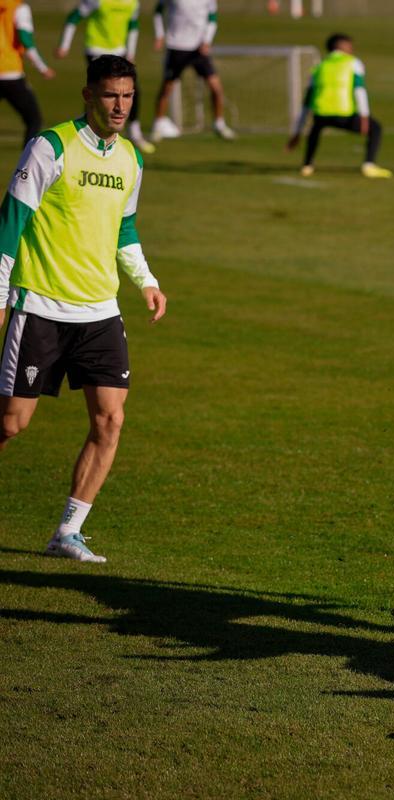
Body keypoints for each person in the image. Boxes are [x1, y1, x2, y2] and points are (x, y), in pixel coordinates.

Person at [0, 55, 167, 564]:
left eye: (128, 96)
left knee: (110, 421)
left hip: (99, 311)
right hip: (40, 305)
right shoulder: (50, 147)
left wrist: (147, 282)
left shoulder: (131, 160)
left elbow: (126, 229)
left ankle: (67, 532)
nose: (120, 106)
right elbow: (11, 222)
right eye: (111, 95)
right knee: (10, 423)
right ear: (88, 96)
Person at [286, 33, 391, 179]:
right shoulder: (353, 63)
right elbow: (359, 90)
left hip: (321, 113)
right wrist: (364, 117)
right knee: (376, 128)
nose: (352, 48)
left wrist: (297, 132)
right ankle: (369, 165)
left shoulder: (319, 66)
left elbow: (307, 101)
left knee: (315, 129)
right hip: (344, 113)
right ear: (341, 46)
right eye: (349, 45)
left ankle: (307, 165)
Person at [56, 0, 154, 152]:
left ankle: (134, 133)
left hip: (119, 51)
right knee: (98, 94)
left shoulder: (133, 2)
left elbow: (133, 24)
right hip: (96, 50)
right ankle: (86, 133)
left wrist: (131, 51)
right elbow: (74, 17)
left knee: (134, 91)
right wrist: (64, 45)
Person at [148, 0, 234, 141]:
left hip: (198, 48)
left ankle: (219, 124)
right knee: (167, 88)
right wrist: (159, 35)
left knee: (216, 87)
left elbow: (212, 18)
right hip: (176, 46)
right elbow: (158, 11)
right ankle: (158, 124)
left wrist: (207, 40)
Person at [0, 1, 55, 146]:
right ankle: (27, 162)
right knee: (34, 119)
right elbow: (25, 38)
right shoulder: (19, 8)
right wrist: (42, 67)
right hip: (10, 73)